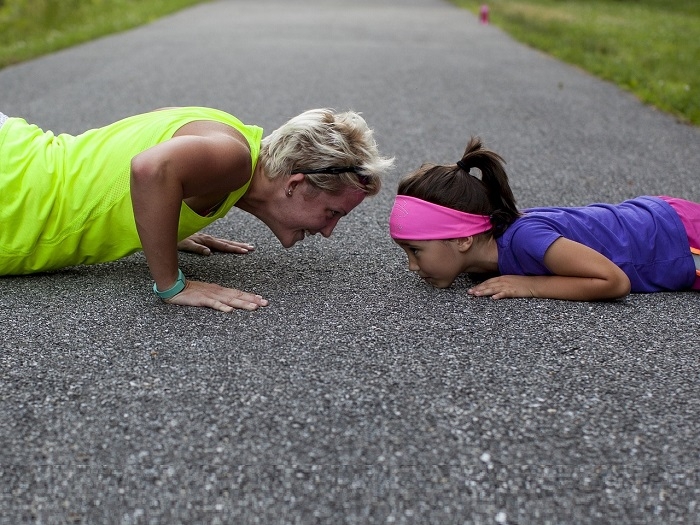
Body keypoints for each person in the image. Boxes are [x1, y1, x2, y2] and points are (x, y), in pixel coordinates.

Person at [0, 107, 393, 311]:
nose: (329, 231)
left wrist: (162, 222)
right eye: (332, 213)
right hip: (12, 189)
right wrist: (173, 284)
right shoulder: (234, 158)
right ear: (295, 184)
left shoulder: (231, 140)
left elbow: (129, 155)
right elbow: (150, 168)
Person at [389, 136, 700, 301]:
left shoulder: (525, 239)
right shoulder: (485, 257)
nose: (412, 266)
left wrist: (531, 286)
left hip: (679, 238)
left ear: (463, 238)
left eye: (416, 250)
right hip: (663, 219)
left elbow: (614, 281)